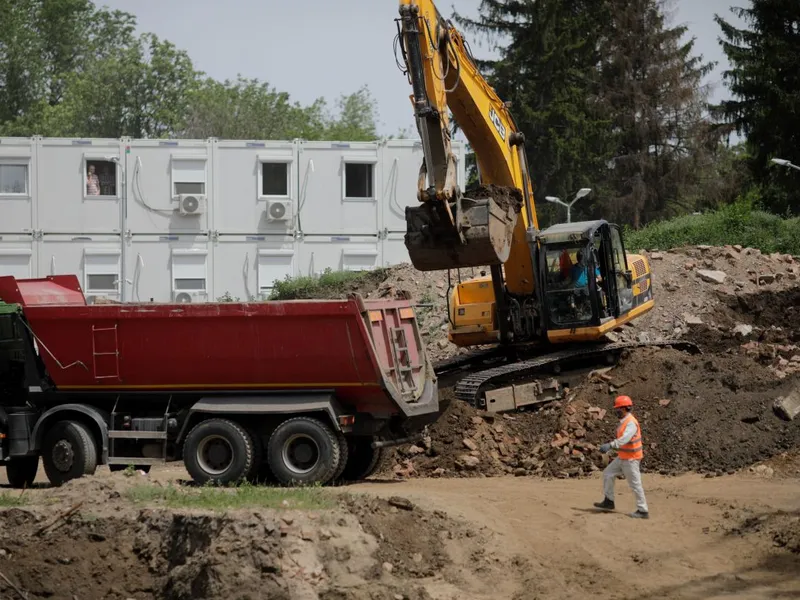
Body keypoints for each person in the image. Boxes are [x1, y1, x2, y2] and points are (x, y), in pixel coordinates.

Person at [593, 395, 649, 519]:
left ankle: (643, 510)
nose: (616, 412)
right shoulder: (624, 421)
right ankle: (609, 501)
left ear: (623, 408)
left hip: (631, 459)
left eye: (617, 409)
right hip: (623, 457)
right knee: (608, 473)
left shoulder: (631, 423)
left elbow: (624, 439)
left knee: (635, 484)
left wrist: (610, 445)